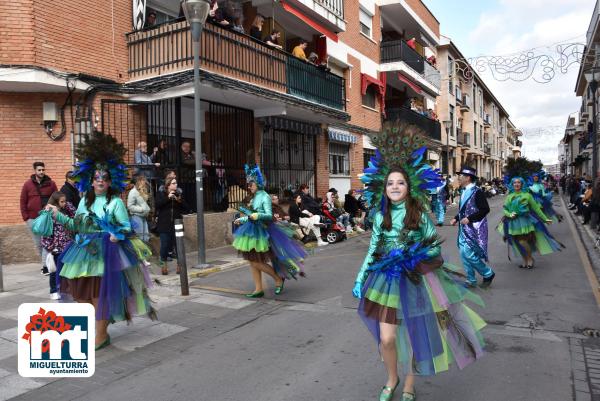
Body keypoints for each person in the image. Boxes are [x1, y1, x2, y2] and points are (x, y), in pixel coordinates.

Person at [352, 122, 486, 401]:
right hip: (386, 281)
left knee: (413, 335)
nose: (395, 186)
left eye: (400, 182)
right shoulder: (380, 217)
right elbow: (373, 249)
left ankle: (410, 385)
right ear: (384, 187)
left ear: (408, 186)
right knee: (387, 338)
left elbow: (432, 246)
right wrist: (360, 277)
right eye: (390, 183)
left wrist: (413, 254)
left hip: (415, 280)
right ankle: (392, 378)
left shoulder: (419, 213)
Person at [46, 131, 155, 351]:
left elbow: (126, 227)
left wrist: (118, 234)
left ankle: (102, 334)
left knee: (99, 294)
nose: (100, 182)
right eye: (96, 178)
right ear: (90, 180)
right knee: (81, 294)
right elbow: (76, 224)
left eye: (104, 178)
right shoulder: (85, 200)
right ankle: (95, 328)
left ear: (110, 180)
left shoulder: (115, 202)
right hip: (83, 250)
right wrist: (57, 215)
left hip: (107, 251)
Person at [233, 163, 307, 297]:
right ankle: (258, 289)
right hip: (252, 231)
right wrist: (242, 220)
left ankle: (278, 278)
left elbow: (268, 215)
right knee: (253, 261)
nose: (249, 187)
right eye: (248, 184)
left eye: (251, 184)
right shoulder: (255, 196)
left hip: (262, 232)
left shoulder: (265, 196)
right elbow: (252, 215)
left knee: (255, 261)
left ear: (258, 183)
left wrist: (257, 215)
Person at [497, 175, 563, 269]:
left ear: (522, 184)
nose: (516, 184)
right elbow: (505, 209)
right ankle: (525, 260)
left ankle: (530, 258)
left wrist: (545, 219)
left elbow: (536, 209)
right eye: (514, 182)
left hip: (524, 222)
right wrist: (509, 214)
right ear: (512, 184)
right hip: (512, 222)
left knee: (523, 241)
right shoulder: (510, 196)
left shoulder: (527, 196)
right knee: (517, 243)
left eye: (519, 182)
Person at [450, 166, 496, 288]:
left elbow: (485, 209)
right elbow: (464, 210)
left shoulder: (477, 191)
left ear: (468, 178)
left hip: (473, 229)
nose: (458, 178)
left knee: (468, 253)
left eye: (461, 176)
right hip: (463, 229)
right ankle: (470, 279)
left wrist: (470, 219)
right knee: (463, 253)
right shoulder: (464, 190)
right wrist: (456, 218)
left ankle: (488, 273)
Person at [21, 161, 58, 275]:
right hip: (33, 219)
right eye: (39, 170)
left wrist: (54, 214)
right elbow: (23, 201)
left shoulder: (51, 184)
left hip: (47, 218)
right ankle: (45, 264)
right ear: (35, 171)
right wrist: (26, 217)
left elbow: (57, 198)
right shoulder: (27, 185)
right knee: (38, 243)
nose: (41, 172)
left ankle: (45, 266)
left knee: (46, 242)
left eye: (43, 170)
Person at [40, 191, 75, 300]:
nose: (64, 203)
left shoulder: (65, 212)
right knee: (55, 271)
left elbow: (75, 215)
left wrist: (68, 205)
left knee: (67, 269)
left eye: (65, 201)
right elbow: (45, 233)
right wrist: (50, 247)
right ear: (55, 202)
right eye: (62, 202)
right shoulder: (48, 214)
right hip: (56, 247)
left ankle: (65, 289)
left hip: (67, 245)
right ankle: (54, 290)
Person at [155, 176, 188, 275]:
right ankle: (163, 265)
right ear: (168, 185)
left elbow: (187, 208)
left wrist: (179, 200)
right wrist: (168, 198)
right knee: (164, 246)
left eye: (176, 183)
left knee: (178, 246)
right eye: (173, 183)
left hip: (176, 225)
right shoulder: (161, 194)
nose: (176, 185)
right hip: (164, 225)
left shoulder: (179, 194)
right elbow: (157, 205)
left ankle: (179, 266)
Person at [127, 175, 152, 243]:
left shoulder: (141, 191)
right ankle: (140, 253)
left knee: (145, 238)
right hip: (136, 217)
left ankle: (145, 253)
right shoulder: (133, 192)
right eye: (143, 180)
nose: (144, 182)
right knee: (140, 238)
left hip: (143, 217)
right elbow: (130, 206)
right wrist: (141, 209)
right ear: (138, 182)